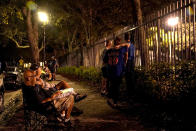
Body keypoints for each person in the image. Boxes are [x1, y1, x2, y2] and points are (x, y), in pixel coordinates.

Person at [103, 37, 129, 107]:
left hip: (111, 71)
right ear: (120, 43)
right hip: (118, 71)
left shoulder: (109, 51)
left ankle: (111, 99)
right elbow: (127, 45)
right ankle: (115, 102)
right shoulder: (121, 49)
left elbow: (105, 60)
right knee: (116, 87)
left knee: (113, 86)